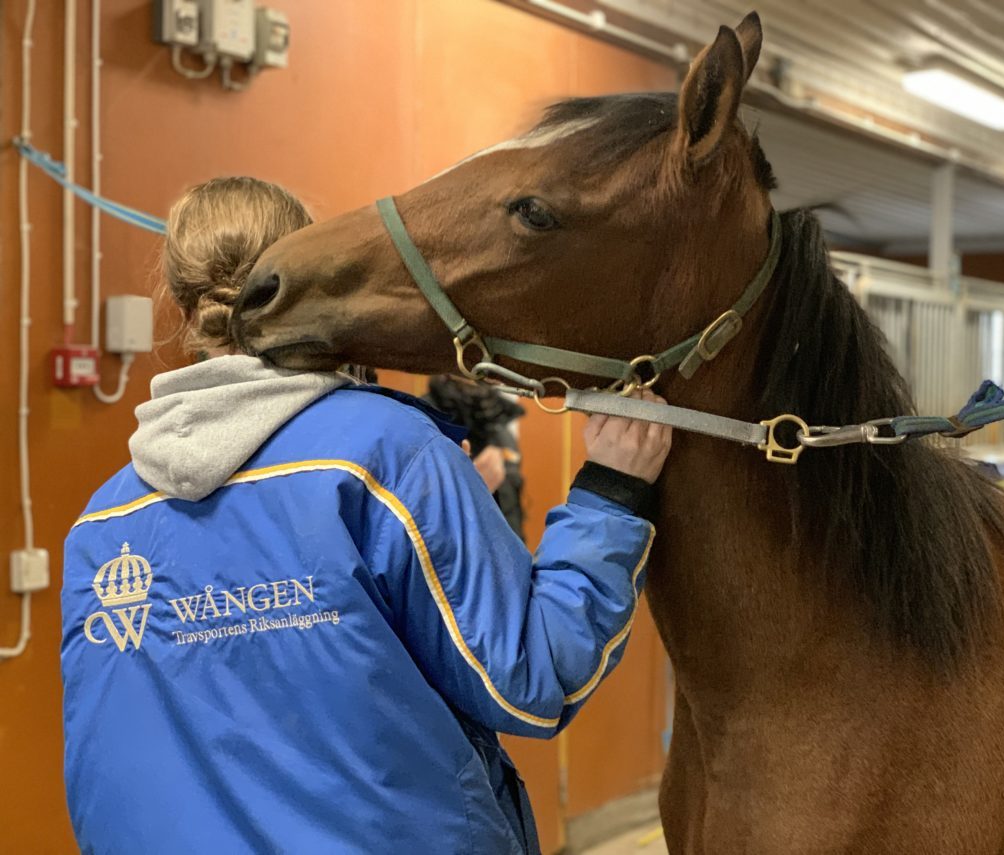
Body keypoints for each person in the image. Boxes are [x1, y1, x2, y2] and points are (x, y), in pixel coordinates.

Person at [60, 177, 671, 855]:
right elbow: (532, 677)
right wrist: (611, 493)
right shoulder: (385, 458)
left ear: (180, 300)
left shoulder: (102, 521)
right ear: (310, 269)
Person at [423, 374, 527, 539]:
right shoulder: (424, 426)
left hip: (504, 557)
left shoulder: (499, 427)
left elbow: (513, 517)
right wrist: (470, 491)